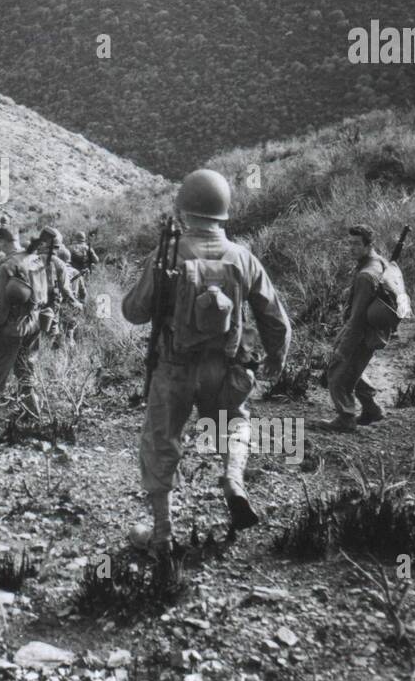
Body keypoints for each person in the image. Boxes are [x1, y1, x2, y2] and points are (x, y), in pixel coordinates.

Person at [122, 169, 291, 549]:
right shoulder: (242, 258)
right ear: (223, 212)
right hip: (226, 370)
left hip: (174, 368)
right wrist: (277, 358)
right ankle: (233, 479)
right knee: (234, 424)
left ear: (184, 211)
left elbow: (134, 311)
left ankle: (163, 534)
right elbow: (276, 319)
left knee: (161, 441)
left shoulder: (168, 254)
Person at [0, 228, 73, 414]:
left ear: (1, 242)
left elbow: (1, 304)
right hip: (35, 322)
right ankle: (34, 413)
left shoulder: (8, 266)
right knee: (25, 368)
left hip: (13, 326)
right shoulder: (34, 258)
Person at [322, 226, 390, 431]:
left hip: (363, 333)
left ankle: (346, 418)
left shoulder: (366, 276)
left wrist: (342, 349)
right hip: (374, 330)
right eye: (349, 243)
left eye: (356, 244)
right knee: (353, 370)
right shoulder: (379, 262)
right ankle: (371, 409)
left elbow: (357, 319)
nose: (350, 248)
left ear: (369, 245)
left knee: (336, 374)